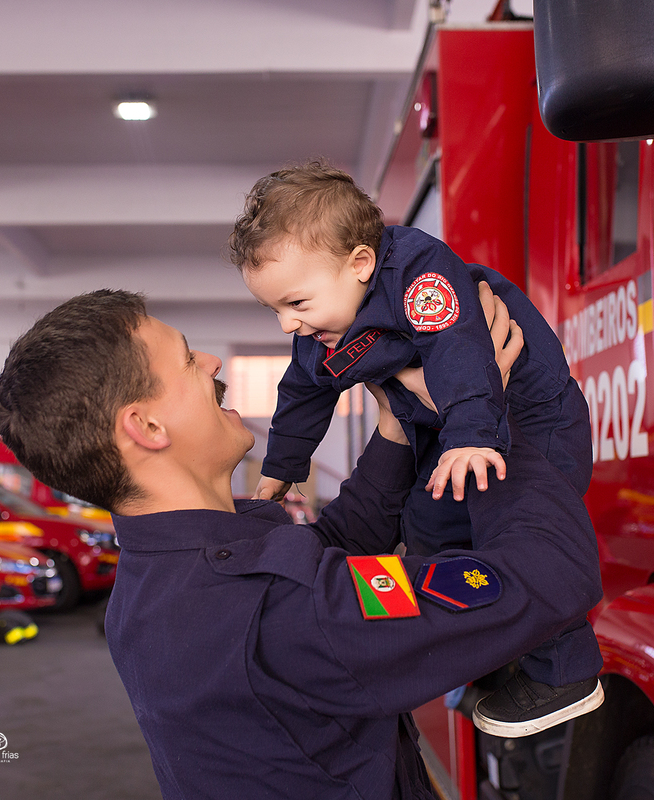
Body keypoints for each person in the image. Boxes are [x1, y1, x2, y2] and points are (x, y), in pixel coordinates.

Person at [0, 287, 603, 799]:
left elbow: (331, 554)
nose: (210, 362)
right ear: (147, 427)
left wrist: (394, 431)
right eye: (185, 360)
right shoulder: (274, 610)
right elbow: (551, 575)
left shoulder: (165, 578)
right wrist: (491, 420)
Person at [228, 160, 601, 735]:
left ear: (360, 264)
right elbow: (301, 393)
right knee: (426, 525)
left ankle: (565, 675)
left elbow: (460, 352)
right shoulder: (322, 326)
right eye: (273, 309)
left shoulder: (422, 275)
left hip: (525, 414)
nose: (286, 325)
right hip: (444, 428)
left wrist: (475, 437)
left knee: (528, 540)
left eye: (296, 305)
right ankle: (488, 644)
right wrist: (283, 467)